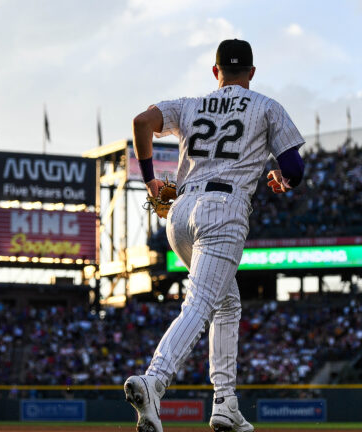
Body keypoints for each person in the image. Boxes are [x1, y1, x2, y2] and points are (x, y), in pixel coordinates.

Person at [124, 39, 305, 432]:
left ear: (215, 71)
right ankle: (155, 381)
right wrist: (282, 177)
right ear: (252, 74)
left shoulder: (189, 104)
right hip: (224, 208)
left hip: (180, 213)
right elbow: (294, 165)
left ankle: (225, 402)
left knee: (227, 304)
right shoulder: (266, 106)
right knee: (202, 302)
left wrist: (151, 178)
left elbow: (141, 123)